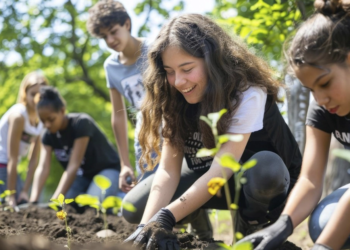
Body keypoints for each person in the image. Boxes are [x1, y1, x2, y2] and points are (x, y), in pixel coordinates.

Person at [122, 13, 302, 248]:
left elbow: (222, 168)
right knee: (134, 206)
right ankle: (197, 227)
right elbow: (168, 171)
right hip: (208, 172)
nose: (178, 81)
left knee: (266, 169)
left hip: (264, 181)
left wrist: (166, 215)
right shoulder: (172, 96)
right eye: (169, 71)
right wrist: (146, 227)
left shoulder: (247, 91)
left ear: (212, 60)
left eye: (187, 69)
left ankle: (251, 227)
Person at [238, 1, 350, 249]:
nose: (320, 99)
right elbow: (310, 180)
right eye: (311, 90)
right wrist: (282, 225)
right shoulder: (323, 108)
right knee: (323, 221)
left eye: (325, 83)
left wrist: (323, 247)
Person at [86, 0, 148, 192]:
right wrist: (124, 163)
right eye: (104, 37)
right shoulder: (110, 66)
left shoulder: (154, 49)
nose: (110, 40)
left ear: (127, 24)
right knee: (147, 193)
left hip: (172, 124)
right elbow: (118, 114)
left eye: (113, 32)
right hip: (144, 131)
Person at [29, 86, 122, 205]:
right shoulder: (47, 135)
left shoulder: (81, 123)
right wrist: (34, 200)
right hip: (83, 177)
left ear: (62, 111)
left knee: (92, 205)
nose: (47, 124)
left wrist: (56, 201)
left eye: (51, 119)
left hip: (108, 170)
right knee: (69, 205)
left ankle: (121, 196)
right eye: (42, 121)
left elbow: (73, 166)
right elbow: (43, 167)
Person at [0, 71, 48, 207]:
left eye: (41, 95)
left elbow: (33, 159)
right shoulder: (18, 116)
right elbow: (12, 158)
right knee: (10, 205)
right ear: (25, 94)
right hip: (2, 163)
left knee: (22, 201)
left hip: (9, 167)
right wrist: (11, 195)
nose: (36, 99)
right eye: (33, 94)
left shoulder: (41, 120)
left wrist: (25, 191)